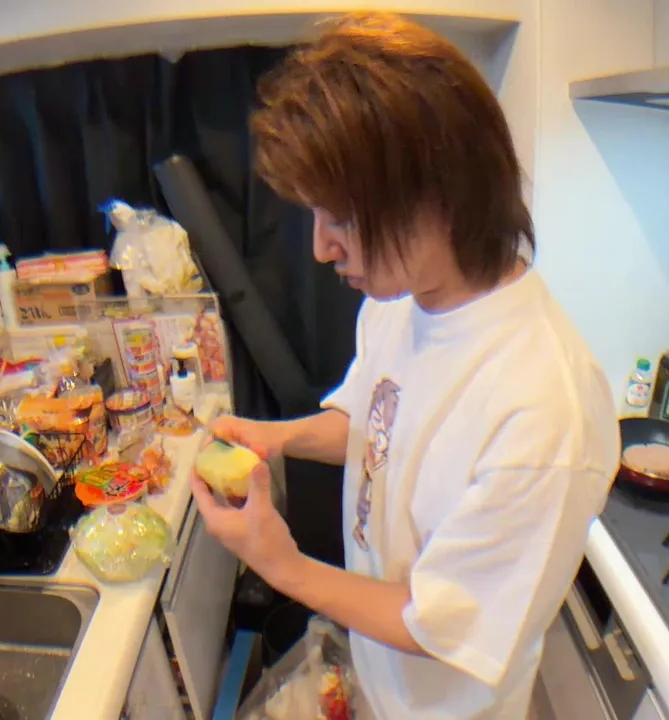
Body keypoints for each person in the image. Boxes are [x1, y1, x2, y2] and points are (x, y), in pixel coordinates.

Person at [190, 12, 620, 719]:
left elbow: (432, 622)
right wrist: (282, 437)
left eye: (340, 218)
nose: (321, 249)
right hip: (376, 678)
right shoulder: (400, 298)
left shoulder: (544, 415)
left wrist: (282, 565)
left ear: (439, 195)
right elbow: (375, 423)